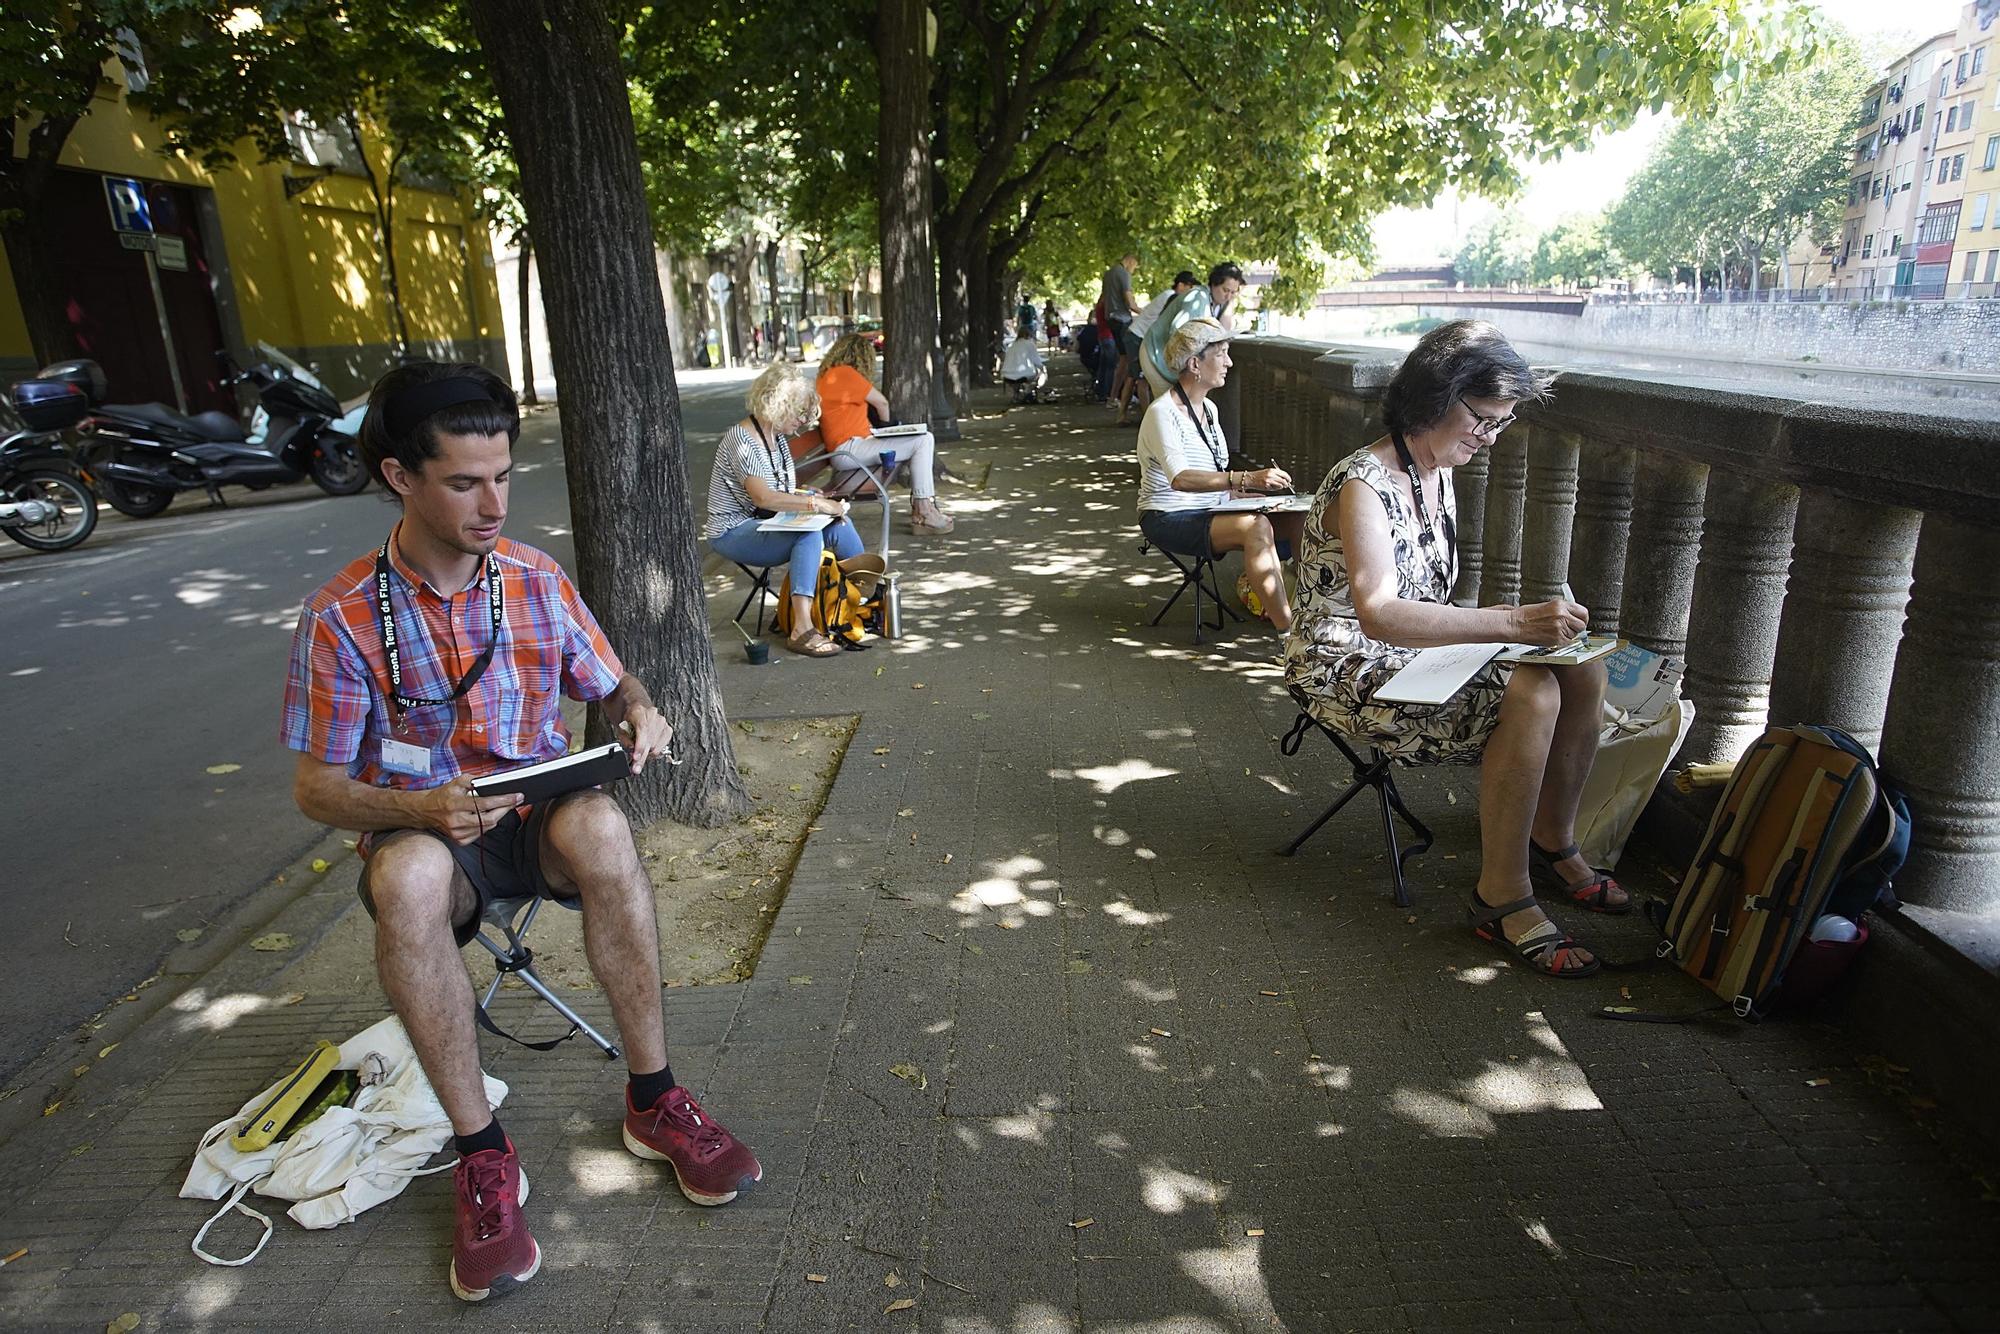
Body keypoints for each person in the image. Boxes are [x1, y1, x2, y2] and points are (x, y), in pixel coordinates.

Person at [282, 362, 762, 1304]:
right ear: (398, 478)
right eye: (464, 482)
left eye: (502, 475)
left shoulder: (535, 578)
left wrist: (642, 713)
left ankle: (654, 1098)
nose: (493, 501)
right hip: (425, 836)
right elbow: (316, 788)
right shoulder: (339, 618)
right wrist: (421, 810)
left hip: (534, 818)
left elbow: (616, 685)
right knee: (412, 882)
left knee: (602, 825)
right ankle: (482, 1157)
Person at [1281, 320, 1627, 979]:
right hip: (1343, 666)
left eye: (1501, 425)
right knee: (1532, 689)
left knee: (1582, 669)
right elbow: (1378, 615)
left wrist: (1511, 629)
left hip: (1406, 655)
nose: (1490, 439)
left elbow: (1427, 609)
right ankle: (1502, 895)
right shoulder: (1363, 484)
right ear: (1436, 397)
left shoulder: (1435, 469)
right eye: (1484, 420)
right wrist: (1510, 622)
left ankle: (1553, 840)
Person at [1136, 317, 1304, 631]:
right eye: (1221, 354)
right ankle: (1290, 633)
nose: (1229, 362)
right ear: (1195, 364)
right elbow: (1181, 479)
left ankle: (1309, 612)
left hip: (1207, 509)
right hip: (1166, 516)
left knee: (1298, 518)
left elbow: (1215, 477)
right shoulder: (1163, 413)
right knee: (1256, 528)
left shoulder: (1210, 410)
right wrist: (1246, 479)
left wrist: (1244, 496)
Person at [708, 361, 867, 657]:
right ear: (778, 404)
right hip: (732, 530)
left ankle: (866, 595)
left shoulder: (775, 437)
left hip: (764, 523)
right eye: (799, 413)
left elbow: (778, 489)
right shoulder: (742, 439)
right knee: (806, 536)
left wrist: (808, 494)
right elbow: (763, 498)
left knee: (837, 522)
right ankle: (801, 629)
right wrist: (814, 503)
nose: (803, 421)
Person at [815, 333, 954, 535]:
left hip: (846, 450)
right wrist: (888, 426)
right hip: (849, 449)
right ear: (861, 356)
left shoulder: (827, 375)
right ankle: (924, 510)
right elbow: (881, 403)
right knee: (923, 440)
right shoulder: (844, 373)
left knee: (919, 442)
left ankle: (921, 509)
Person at [1139, 262, 1245, 399]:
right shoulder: (1198, 298)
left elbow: (1223, 334)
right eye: (1226, 290)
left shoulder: (1213, 301)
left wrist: (1230, 304)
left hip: (1161, 355)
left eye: (1233, 292)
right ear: (1214, 284)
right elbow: (1180, 333)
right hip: (1155, 354)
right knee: (1171, 409)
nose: (1228, 296)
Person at [1119, 269, 1197, 426]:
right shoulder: (1171, 297)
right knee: (1142, 379)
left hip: (1137, 335)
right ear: (1181, 285)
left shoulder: (1168, 295)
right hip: (1138, 337)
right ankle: (1150, 420)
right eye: (1189, 287)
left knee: (1132, 377)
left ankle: (1122, 415)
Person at [1101, 252, 1143, 414]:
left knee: (1123, 360)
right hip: (1123, 320)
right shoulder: (1123, 274)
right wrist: (1146, 313)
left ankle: (1115, 397)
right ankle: (1119, 398)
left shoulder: (1108, 274)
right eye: (1135, 266)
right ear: (1130, 261)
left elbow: (1104, 299)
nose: (1134, 270)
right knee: (1130, 362)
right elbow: (1130, 303)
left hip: (1111, 319)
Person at [1000, 320, 1049, 402]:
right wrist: (1043, 368)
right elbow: (1036, 361)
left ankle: (1016, 394)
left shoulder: (1011, 345)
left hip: (1006, 374)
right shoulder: (1029, 344)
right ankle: (1029, 391)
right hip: (1024, 374)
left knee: (1016, 376)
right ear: (1029, 334)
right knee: (1041, 372)